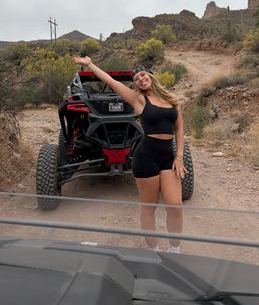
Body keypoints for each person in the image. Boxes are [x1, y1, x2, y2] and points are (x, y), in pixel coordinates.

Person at [73, 56, 186, 253]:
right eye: (136, 79)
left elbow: (180, 130)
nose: (141, 79)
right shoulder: (138, 99)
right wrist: (90, 64)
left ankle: (175, 250)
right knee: (149, 208)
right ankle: (154, 251)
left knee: (175, 206)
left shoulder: (171, 100)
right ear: (136, 85)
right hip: (146, 158)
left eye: (143, 74)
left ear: (150, 75)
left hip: (168, 158)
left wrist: (179, 157)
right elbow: (111, 82)